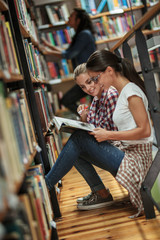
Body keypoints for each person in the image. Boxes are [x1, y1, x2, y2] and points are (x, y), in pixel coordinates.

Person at [45, 50, 153, 218]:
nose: (93, 84)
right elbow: (98, 129)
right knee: (76, 146)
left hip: (135, 159)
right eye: (85, 85)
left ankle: (45, 185)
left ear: (109, 71)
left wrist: (107, 135)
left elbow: (144, 131)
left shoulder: (123, 93)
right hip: (125, 151)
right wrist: (84, 119)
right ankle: (99, 193)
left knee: (78, 140)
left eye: (94, 79)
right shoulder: (115, 93)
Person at [73, 63, 118, 208]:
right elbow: (90, 128)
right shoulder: (96, 100)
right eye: (83, 87)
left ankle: (48, 182)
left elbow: (107, 132)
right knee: (75, 149)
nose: (88, 89)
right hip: (109, 147)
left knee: (75, 146)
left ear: (96, 76)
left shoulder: (109, 95)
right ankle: (100, 193)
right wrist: (84, 116)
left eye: (89, 81)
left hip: (118, 149)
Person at [42, 8, 96, 114]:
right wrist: (49, 47)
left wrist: (47, 52)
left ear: (78, 20)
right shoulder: (82, 34)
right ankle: (89, 118)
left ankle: (88, 119)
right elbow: (68, 51)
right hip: (86, 76)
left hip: (89, 77)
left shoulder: (84, 34)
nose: (68, 18)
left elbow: (69, 54)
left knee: (67, 100)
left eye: (71, 16)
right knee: (92, 103)